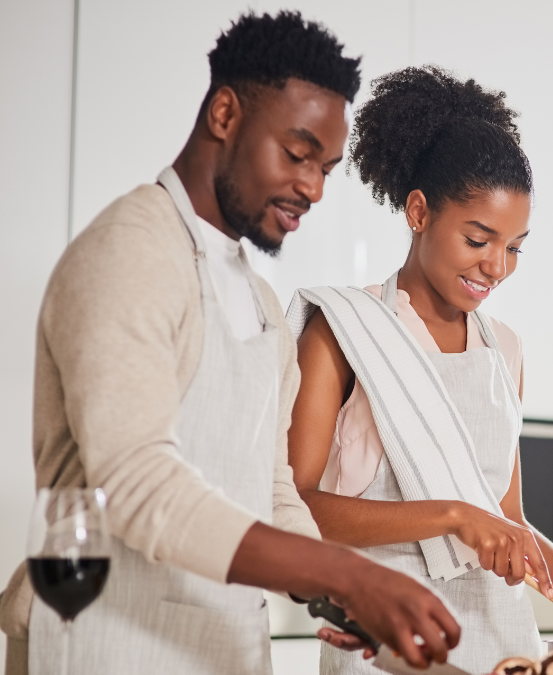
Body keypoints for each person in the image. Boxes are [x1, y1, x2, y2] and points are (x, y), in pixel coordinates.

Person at [0, 13, 460, 675]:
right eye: (298, 154)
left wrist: (336, 592)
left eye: (326, 168)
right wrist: (345, 570)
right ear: (224, 113)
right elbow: (136, 483)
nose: (314, 188)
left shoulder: (261, 303)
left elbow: (269, 489)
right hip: (103, 647)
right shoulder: (131, 251)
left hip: (225, 651)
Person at [287, 66, 553, 675]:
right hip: (388, 644)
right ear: (418, 212)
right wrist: (455, 516)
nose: (496, 267)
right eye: (479, 238)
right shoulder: (344, 331)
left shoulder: (503, 350)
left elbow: (508, 526)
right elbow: (299, 509)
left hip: (501, 645)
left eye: (513, 247)